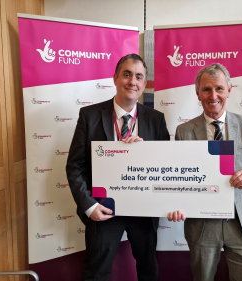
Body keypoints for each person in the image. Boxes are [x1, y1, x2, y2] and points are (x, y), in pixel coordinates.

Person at [66, 54, 170, 281]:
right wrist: (89, 206)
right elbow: (75, 166)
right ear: (115, 78)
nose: (132, 81)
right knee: (96, 273)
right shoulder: (89, 115)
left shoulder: (156, 119)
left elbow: (165, 167)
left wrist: (146, 154)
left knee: (148, 271)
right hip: (103, 210)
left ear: (144, 85)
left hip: (144, 211)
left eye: (139, 77)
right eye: (127, 74)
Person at [168, 63, 242, 281]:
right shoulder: (183, 131)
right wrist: (174, 203)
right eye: (206, 89)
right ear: (197, 93)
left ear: (229, 90)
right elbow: (178, 174)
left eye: (219, 88)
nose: (213, 95)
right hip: (203, 224)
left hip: (241, 220)